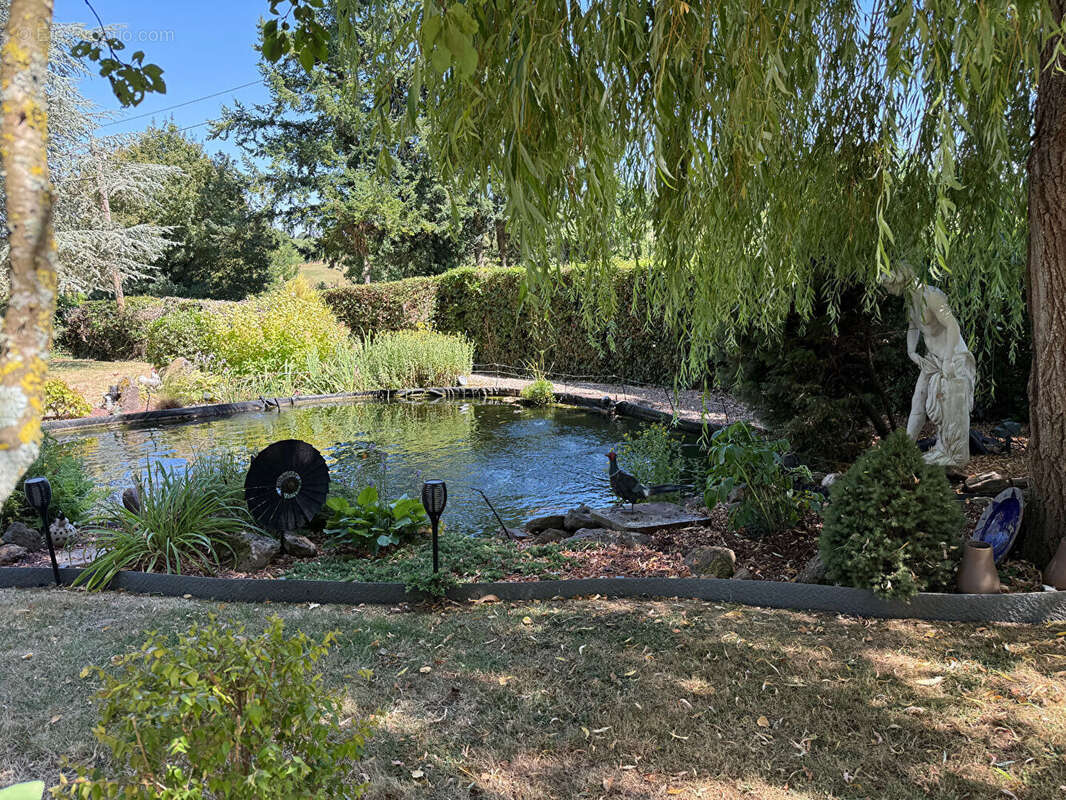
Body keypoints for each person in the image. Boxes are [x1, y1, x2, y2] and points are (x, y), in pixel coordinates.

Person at [881, 266, 977, 467]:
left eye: (889, 285)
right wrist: (911, 351)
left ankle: (952, 456)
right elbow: (914, 326)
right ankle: (905, 451)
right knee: (918, 400)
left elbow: (953, 326)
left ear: (899, 281)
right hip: (933, 359)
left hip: (953, 358)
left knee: (951, 410)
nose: (888, 291)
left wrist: (949, 360)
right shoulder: (911, 300)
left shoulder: (931, 295)